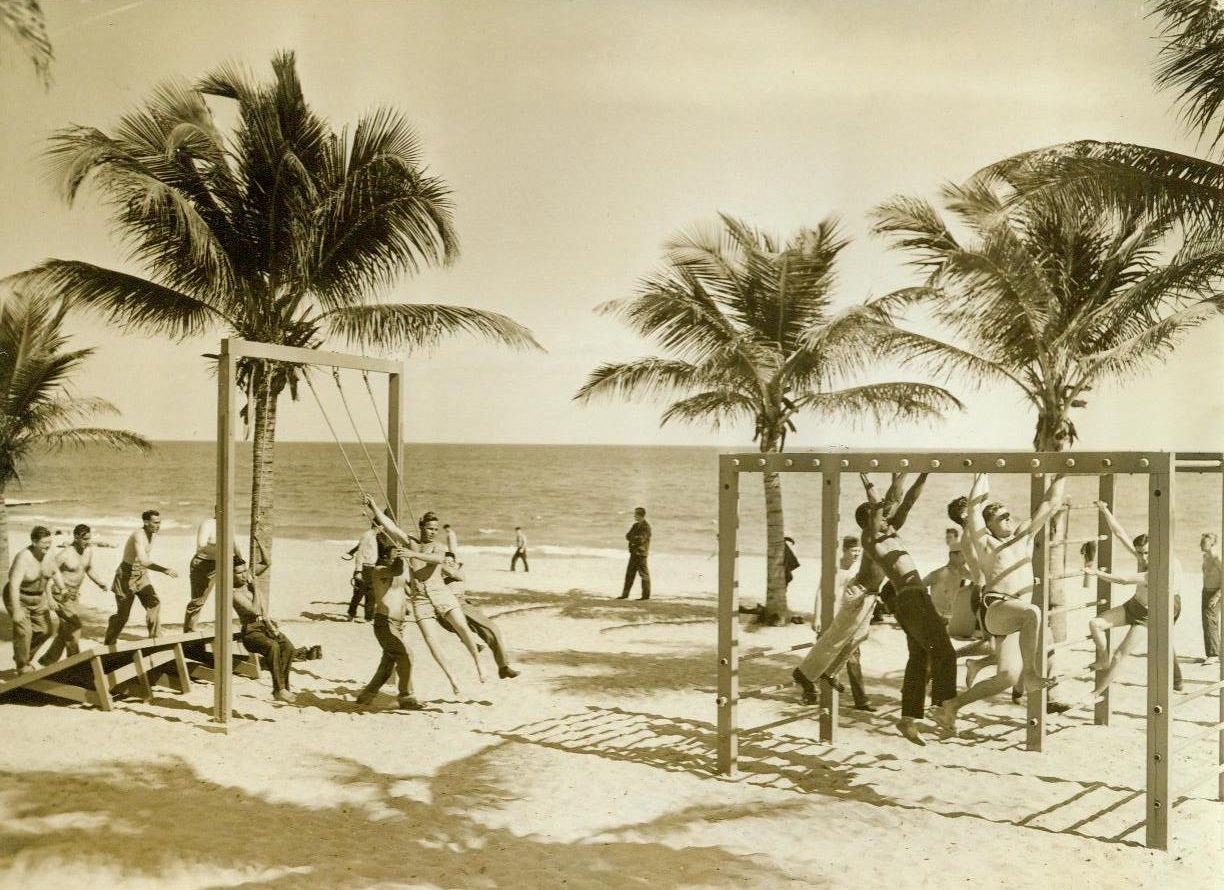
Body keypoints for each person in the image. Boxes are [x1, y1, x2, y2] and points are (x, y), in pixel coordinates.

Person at [932, 474, 1065, 735]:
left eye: (1008, 515)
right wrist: (983, 472)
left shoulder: (1024, 537)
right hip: (997, 609)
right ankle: (1031, 675)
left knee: (1006, 677)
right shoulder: (986, 544)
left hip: (1017, 618)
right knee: (1033, 612)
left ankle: (950, 707)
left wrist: (1062, 472)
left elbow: (1051, 503)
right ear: (989, 526)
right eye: (1002, 517)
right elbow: (973, 509)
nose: (1008, 519)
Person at [857, 472, 956, 745]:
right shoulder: (871, 540)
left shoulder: (889, 532)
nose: (887, 519)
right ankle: (941, 706)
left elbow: (908, 500)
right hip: (910, 599)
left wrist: (925, 472)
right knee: (945, 652)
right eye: (881, 517)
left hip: (914, 598)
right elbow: (878, 505)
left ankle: (908, 718)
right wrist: (867, 481)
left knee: (920, 657)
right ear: (870, 521)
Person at [364, 498, 480, 693]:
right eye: (429, 528)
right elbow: (390, 526)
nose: (433, 532)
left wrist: (412, 555)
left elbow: (437, 560)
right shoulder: (407, 545)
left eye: (436, 529)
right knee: (425, 644)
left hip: (435, 597)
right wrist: (373, 507)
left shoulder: (435, 548)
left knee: (462, 628)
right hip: (415, 603)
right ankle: (449, 680)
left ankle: (478, 665)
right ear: (421, 527)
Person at [1080, 502, 1185, 702]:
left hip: (1154, 612)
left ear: (1156, 548)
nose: (1143, 557)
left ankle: (1095, 694)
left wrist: (1096, 573)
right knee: (1095, 623)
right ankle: (1103, 659)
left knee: (1121, 654)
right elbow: (1119, 533)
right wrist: (1104, 510)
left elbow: (1123, 580)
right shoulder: (1142, 556)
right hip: (1136, 604)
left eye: (1146, 552)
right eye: (1139, 552)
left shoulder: (1161, 566)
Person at [790, 535, 874, 711]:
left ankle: (861, 700)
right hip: (830, 616)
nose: (857, 554)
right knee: (822, 655)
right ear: (844, 550)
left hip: (847, 618)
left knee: (853, 657)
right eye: (854, 550)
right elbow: (820, 592)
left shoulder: (857, 570)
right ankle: (809, 693)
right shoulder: (834, 569)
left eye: (859, 551)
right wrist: (817, 617)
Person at [230, 540, 298, 704]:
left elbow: (267, 562)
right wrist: (255, 588)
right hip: (250, 633)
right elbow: (254, 611)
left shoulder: (247, 579)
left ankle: (282, 688)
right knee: (273, 647)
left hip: (264, 626)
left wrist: (259, 542)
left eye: (245, 571)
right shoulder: (234, 593)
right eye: (239, 573)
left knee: (288, 647)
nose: (244, 575)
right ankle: (279, 689)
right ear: (231, 575)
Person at [435, 554, 521, 679]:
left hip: (462, 605)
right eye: (445, 562)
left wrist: (437, 562)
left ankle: (503, 667)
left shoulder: (458, 573)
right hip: (445, 608)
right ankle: (473, 644)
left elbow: (452, 572)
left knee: (491, 630)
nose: (448, 564)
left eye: (451, 562)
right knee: (458, 627)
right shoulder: (435, 579)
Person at [103, 510, 177, 646]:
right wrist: (164, 570)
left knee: (154, 603)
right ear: (146, 522)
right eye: (155, 523)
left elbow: (143, 561)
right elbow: (143, 560)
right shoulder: (138, 534)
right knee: (123, 616)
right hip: (126, 575)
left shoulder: (153, 534)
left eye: (160, 522)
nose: (158, 526)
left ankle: (156, 639)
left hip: (142, 575)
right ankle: (109, 643)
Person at [40, 524, 109, 664]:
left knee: (66, 629)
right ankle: (74, 661)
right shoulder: (65, 554)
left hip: (74, 596)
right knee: (75, 626)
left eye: (89, 538)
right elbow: (46, 575)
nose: (87, 542)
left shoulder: (88, 551)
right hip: (60, 594)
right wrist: (49, 598)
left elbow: (88, 568)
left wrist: (99, 583)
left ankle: (48, 660)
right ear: (76, 537)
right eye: (85, 539)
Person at [4, 526, 63, 674]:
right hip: (18, 597)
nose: (48, 546)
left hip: (38, 598)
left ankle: (22, 656)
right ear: (34, 541)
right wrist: (16, 610)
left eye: (50, 542)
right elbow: (14, 585)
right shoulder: (23, 558)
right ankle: (23, 666)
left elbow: (55, 572)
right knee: (25, 632)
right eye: (44, 543)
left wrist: (62, 588)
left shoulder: (49, 554)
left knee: (46, 630)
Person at [183, 513, 247, 632]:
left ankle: (247, 625)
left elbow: (235, 544)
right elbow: (201, 546)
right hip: (204, 564)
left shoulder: (229, 524)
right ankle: (189, 631)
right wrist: (223, 547)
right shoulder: (208, 524)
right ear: (218, 511)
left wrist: (241, 563)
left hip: (224, 561)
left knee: (240, 591)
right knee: (198, 601)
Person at [346, 520, 381, 622]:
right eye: (383, 527)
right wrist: (358, 571)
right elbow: (360, 553)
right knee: (358, 594)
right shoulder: (367, 536)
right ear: (378, 526)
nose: (384, 529)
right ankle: (351, 614)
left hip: (372, 568)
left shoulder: (375, 536)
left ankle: (369, 617)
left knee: (371, 594)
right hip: (364, 568)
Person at [619, 507, 651, 600]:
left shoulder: (646, 527)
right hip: (634, 552)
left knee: (644, 575)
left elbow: (641, 539)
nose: (634, 516)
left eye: (636, 514)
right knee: (629, 574)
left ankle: (645, 596)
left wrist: (633, 539)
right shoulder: (635, 525)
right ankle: (625, 595)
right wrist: (634, 539)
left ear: (640, 515)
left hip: (641, 554)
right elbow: (627, 535)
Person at [1201, 532, 1221, 665]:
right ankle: (1214, 652)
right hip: (1206, 591)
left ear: (1212, 543)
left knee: (1210, 621)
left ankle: (1214, 654)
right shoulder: (1205, 556)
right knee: (1207, 621)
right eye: (1201, 541)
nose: (1201, 544)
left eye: (1205, 542)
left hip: (1216, 592)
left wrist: (1217, 595)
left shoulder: (1216, 557)